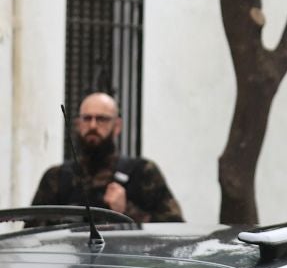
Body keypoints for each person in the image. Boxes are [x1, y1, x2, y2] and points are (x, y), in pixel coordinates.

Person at [32, 93, 183, 223]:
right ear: (78, 125)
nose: (92, 126)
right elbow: (32, 235)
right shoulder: (56, 178)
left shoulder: (143, 173)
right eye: (87, 118)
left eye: (101, 119)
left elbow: (173, 231)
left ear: (117, 126)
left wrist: (126, 210)